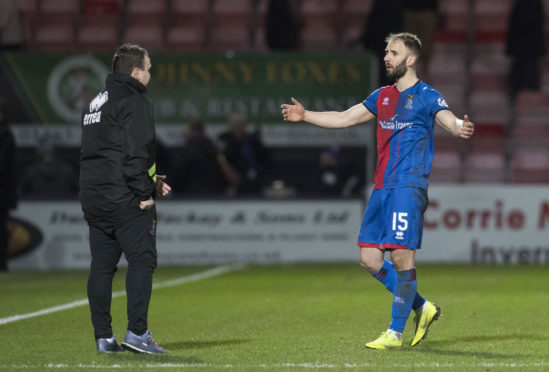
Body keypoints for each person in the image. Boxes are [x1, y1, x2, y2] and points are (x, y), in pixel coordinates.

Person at [281, 32, 474, 349]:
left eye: (394, 53)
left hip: (408, 187)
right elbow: (344, 118)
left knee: (401, 256)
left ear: (410, 60)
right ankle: (421, 307)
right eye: (386, 52)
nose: (386, 57)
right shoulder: (381, 97)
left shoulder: (427, 95)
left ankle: (395, 333)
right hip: (382, 187)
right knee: (369, 260)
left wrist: (459, 128)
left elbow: (448, 120)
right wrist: (306, 116)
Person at [79, 43, 171, 354]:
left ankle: (104, 338)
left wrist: (150, 181)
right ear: (135, 72)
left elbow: (104, 154)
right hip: (125, 198)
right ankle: (137, 333)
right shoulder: (135, 101)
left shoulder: (95, 103)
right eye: (148, 69)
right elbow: (135, 155)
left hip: (94, 196)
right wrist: (145, 192)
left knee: (102, 267)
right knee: (143, 260)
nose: (149, 75)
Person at [171, 117, 237, 196]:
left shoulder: (187, 148)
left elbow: (179, 172)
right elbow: (221, 169)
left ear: (190, 129)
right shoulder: (212, 147)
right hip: (212, 191)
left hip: (190, 193)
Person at [218, 112, 272, 195]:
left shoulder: (252, 140)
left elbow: (265, 159)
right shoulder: (224, 140)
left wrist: (258, 172)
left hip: (252, 181)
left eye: (241, 125)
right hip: (231, 182)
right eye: (236, 125)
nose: (239, 128)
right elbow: (220, 159)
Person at [505, 0, 545, 99]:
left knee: (526, 76)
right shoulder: (526, 3)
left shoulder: (530, 3)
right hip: (525, 48)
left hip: (526, 47)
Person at [0, 99, 17, 272]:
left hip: (2, 191)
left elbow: (3, 164)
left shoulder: (5, 134)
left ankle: (2, 262)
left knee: (1, 225)